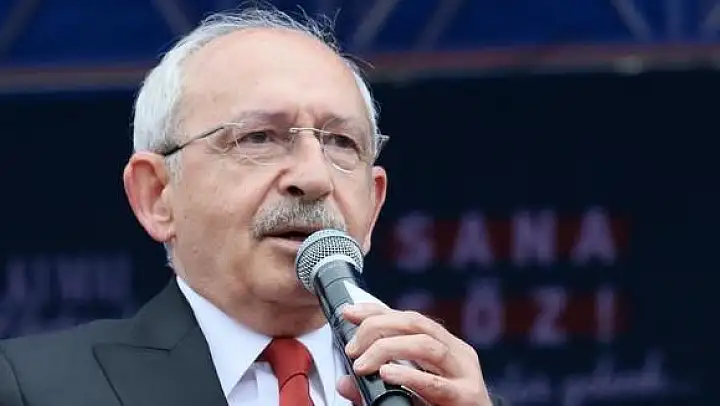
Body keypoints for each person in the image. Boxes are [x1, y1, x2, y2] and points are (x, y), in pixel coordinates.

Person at [0, 5, 503, 406]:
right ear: (157, 195)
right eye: (259, 138)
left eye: (341, 143)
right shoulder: (34, 388)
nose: (314, 178)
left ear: (373, 205)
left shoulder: (443, 395)